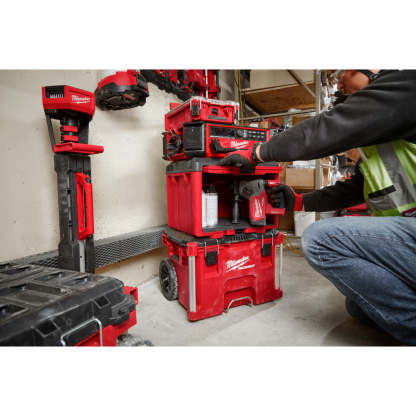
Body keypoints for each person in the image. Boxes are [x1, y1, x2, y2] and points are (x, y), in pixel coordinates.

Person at [219, 70, 416, 345]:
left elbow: (331, 127)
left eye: (342, 73)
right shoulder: (383, 131)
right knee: (359, 306)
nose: (339, 82)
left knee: (319, 240)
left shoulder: (407, 85)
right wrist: (299, 201)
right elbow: (355, 189)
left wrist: (257, 153)